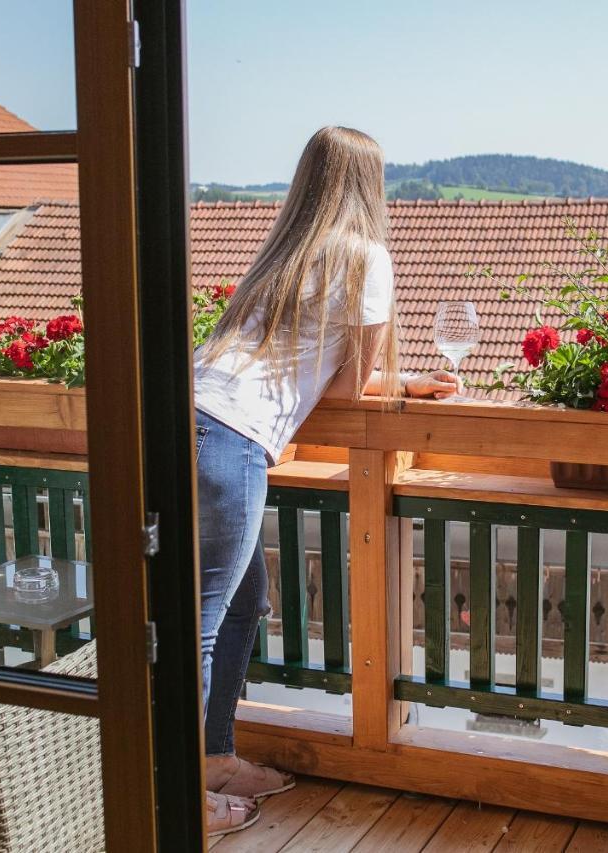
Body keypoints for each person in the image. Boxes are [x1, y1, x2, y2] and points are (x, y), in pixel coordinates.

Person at [193, 126, 461, 836]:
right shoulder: (366, 256)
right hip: (232, 438)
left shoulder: (282, 252)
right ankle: (181, 791)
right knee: (203, 618)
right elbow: (344, 387)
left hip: (186, 417)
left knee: (243, 600)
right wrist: (406, 382)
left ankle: (214, 754)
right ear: (370, 185)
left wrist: (405, 379)